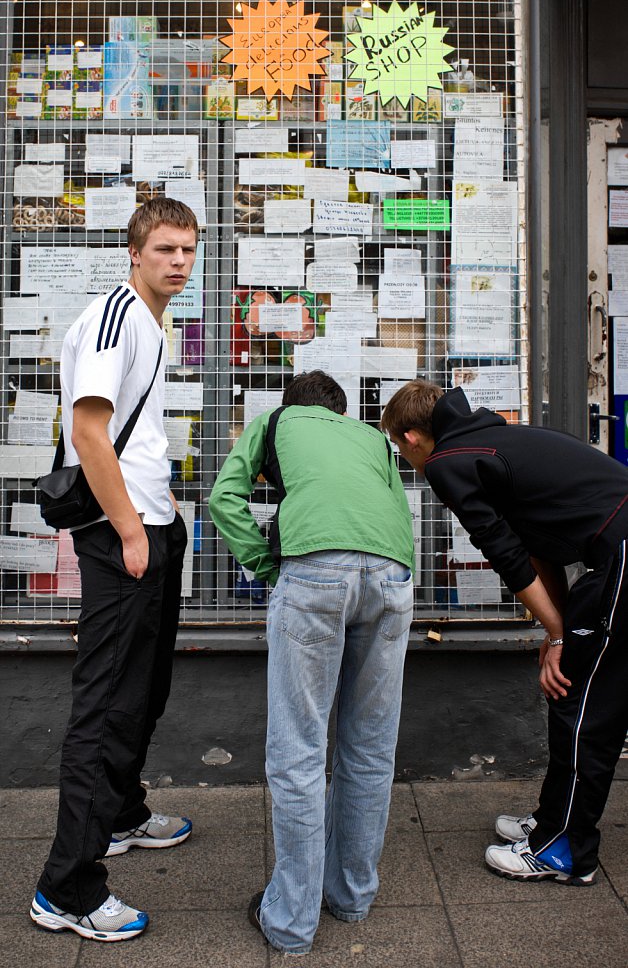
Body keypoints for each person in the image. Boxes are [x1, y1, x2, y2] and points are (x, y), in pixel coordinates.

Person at [381, 379, 628, 887]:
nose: (406, 462)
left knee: (584, 709)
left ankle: (564, 850)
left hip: (623, 560)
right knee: (575, 698)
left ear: (411, 438)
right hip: (613, 558)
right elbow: (540, 550)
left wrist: (561, 637)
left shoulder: (451, 461)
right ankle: (552, 820)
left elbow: (507, 557)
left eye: (400, 450)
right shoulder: (494, 440)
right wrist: (558, 629)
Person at [31, 198, 198, 941]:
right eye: (165, 249)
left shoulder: (151, 320)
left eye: (188, 250)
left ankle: (123, 812)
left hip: (152, 525)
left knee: (144, 687)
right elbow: (88, 431)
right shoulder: (116, 316)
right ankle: (66, 888)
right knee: (104, 707)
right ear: (134, 253)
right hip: (117, 537)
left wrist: (159, 519)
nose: (179, 262)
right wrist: (132, 531)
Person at [209, 371, 415, 955]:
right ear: (340, 411)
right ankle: (351, 896)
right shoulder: (373, 438)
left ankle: (292, 923)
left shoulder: (274, 423)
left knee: (298, 749)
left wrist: (267, 566)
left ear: (290, 407)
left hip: (314, 574)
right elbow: (398, 510)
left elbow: (225, 499)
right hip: (391, 578)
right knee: (370, 744)